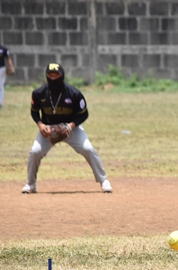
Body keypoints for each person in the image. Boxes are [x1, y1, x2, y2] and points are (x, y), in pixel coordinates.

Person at [22, 63, 112, 194]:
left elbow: (84, 114)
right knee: (35, 151)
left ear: (62, 76)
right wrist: (40, 125)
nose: (53, 78)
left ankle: (104, 180)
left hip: (71, 128)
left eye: (56, 75)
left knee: (87, 148)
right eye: (50, 75)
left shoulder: (74, 93)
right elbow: (34, 112)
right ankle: (30, 184)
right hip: (48, 129)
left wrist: (71, 125)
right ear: (46, 76)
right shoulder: (38, 93)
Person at [0, 44, 15, 108]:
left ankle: (0, 103)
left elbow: (8, 59)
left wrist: (12, 68)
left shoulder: (3, 49)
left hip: (1, 69)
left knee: (0, 86)